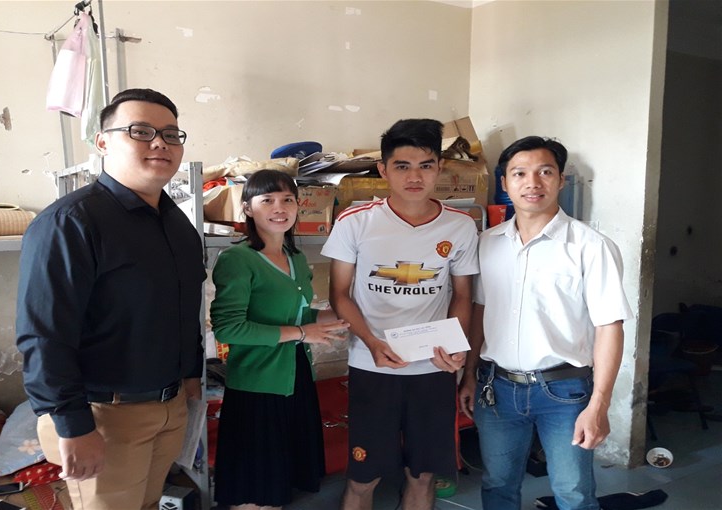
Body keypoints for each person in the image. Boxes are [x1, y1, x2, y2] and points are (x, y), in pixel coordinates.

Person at [16, 88, 205, 510]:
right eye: (141, 131)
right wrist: (73, 424)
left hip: (170, 406)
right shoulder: (70, 223)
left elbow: (183, 308)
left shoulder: (178, 226)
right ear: (103, 142)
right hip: (105, 416)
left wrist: (190, 376)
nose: (160, 143)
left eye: (171, 134)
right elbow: (44, 335)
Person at [458, 136, 633, 510]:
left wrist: (599, 404)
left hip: (564, 392)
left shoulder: (590, 246)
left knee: (574, 493)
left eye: (545, 172)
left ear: (560, 180)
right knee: (498, 485)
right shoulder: (487, 243)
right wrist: (470, 373)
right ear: (505, 183)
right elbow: (480, 312)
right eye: (519, 173)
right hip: (496, 388)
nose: (532, 183)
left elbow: (609, 327)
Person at [321, 119, 479, 510]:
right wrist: (371, 342)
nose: (414, 177)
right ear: (383, 170)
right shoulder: (355, 222)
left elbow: (463, 295)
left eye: (425, 165)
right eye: (402, 166)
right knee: (363, 476)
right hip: (372, 364)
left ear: (439, 168)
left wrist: (455, 346)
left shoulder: (460, 226)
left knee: (422, 475)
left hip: (433, 368)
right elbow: (339, 294)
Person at [210, 169, 350, 510]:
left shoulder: (296, 259)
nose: (279, 207)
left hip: (295, 375)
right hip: (258, 383)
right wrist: (303, 334)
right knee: (255, 487)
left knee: (279, 481)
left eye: (288, 199)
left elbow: (299, 317)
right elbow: (228, 328)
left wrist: (342, 317)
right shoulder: (238, 260)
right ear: (247, 208)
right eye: (267, 200)